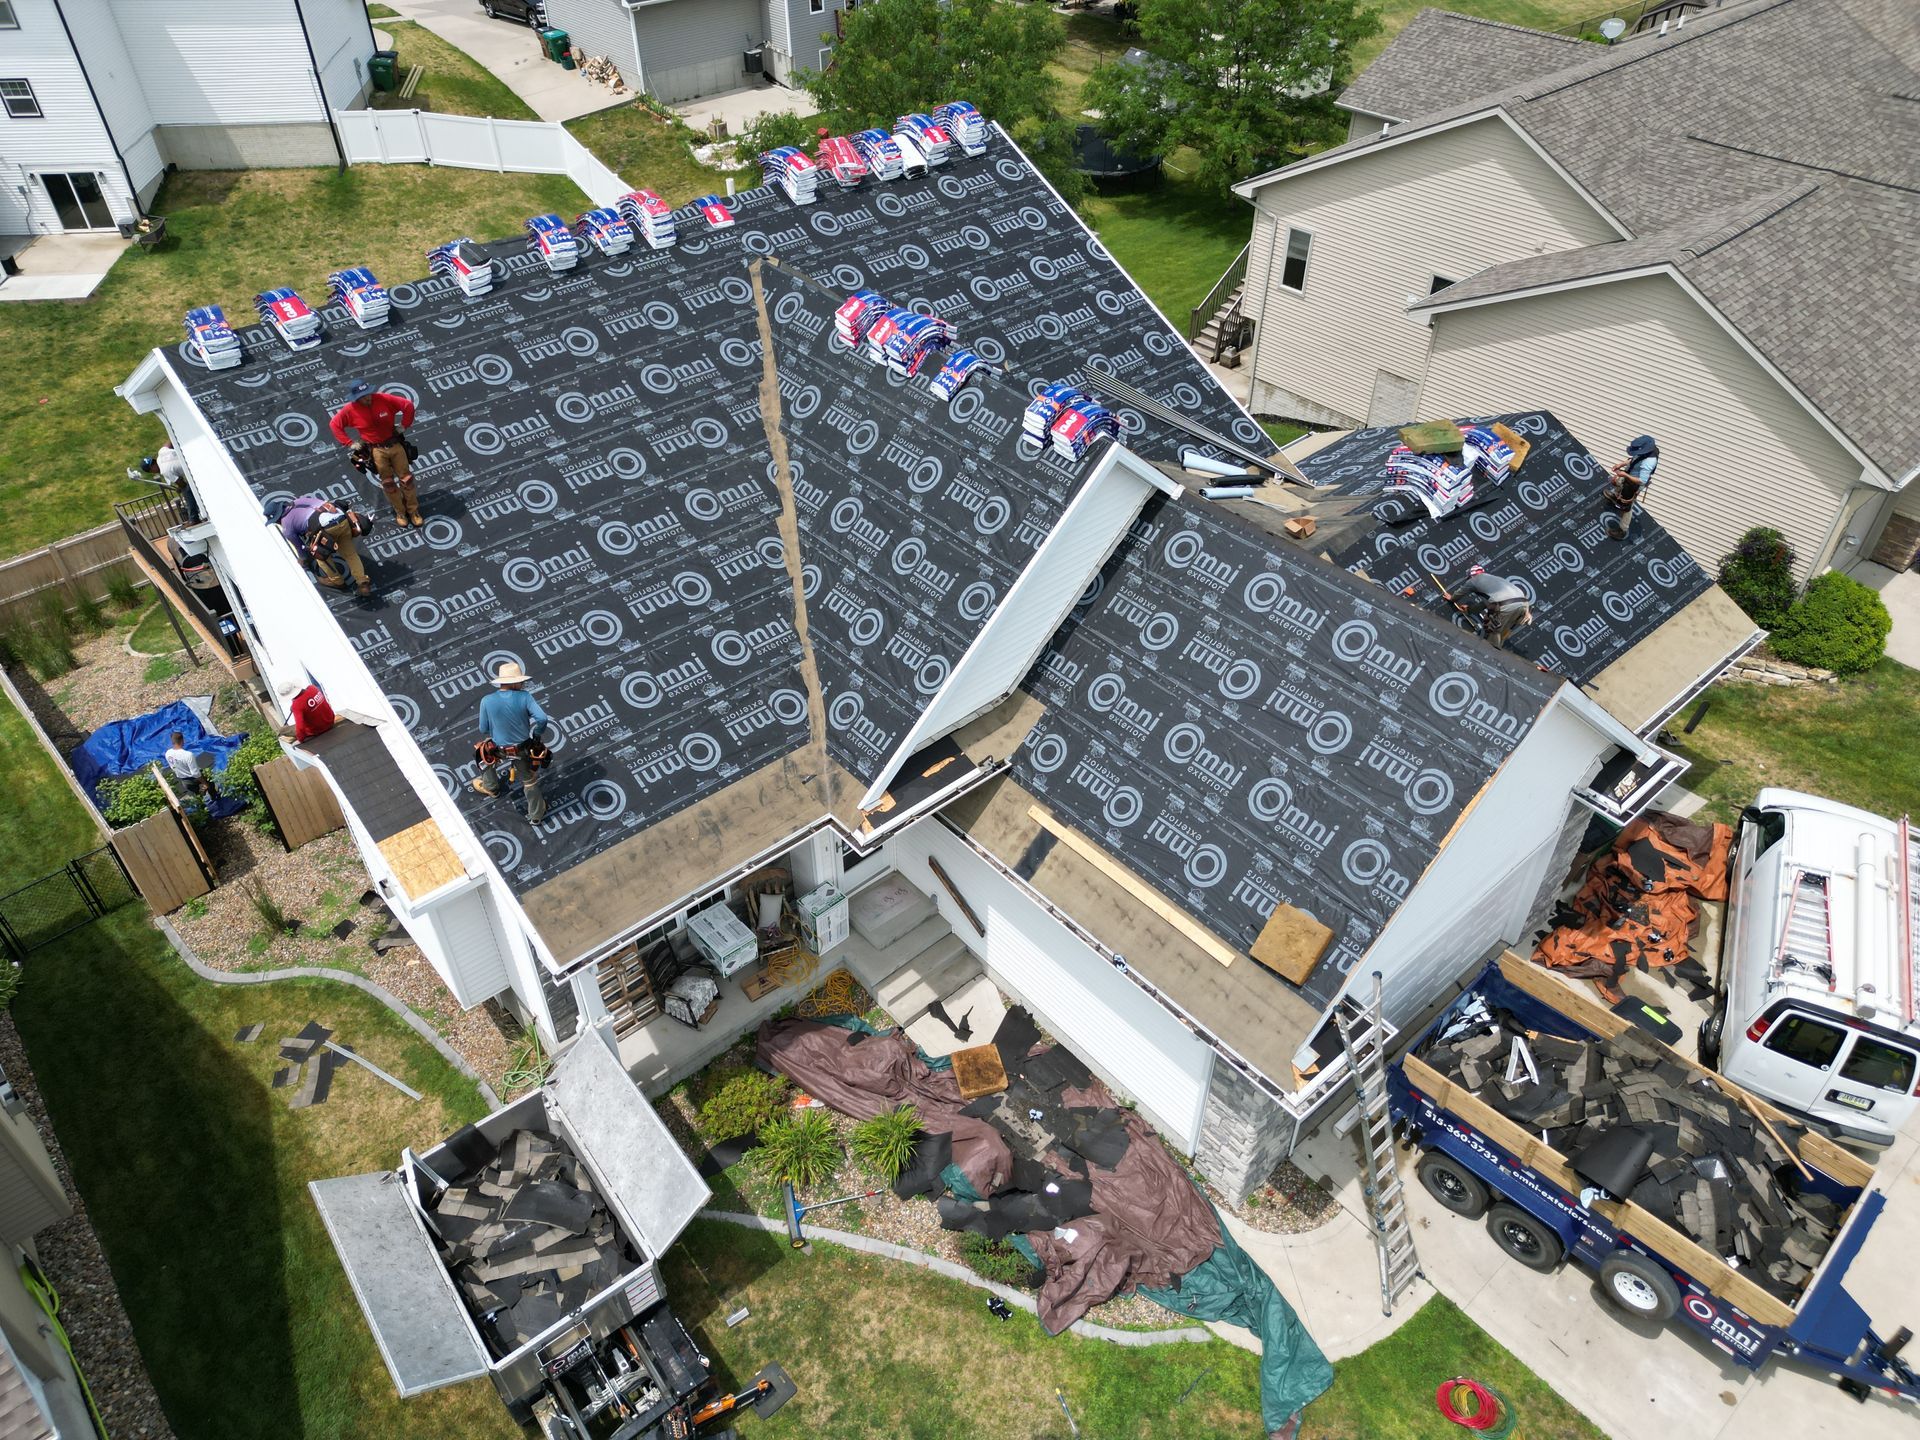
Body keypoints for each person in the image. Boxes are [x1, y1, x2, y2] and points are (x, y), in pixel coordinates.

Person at [328, 379, 423, 527]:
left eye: (368, 393)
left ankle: (413, 511)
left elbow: (407, 405)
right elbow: (334, 424)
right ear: (356, 398)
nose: (368, 397)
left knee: (407, 479)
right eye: (363, 396)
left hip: (395, 444)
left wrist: (404, 425)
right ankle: (400, 512)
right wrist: (349, 443)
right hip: (376, 450)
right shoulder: (350, 410)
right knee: (388, 483)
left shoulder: (384, 399)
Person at [473, 661, 551, 824]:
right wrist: (537, 734)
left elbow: (483, 729)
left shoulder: (486, 700)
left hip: (499, 748)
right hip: (522, 749)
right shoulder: (525, 697)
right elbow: (542, 719)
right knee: (529, 780)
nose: (523, 684)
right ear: (514, 683)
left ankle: (491, 788)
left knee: (483, 754)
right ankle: (536, 815)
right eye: (521, 681)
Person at [278, 494, 372, 595]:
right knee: (351, 554)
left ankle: (337, 581)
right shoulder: (299, 501)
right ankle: (362, 582)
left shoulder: (286, 526)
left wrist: (303, 560)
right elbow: (326, 504)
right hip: (342, 520)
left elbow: (300, 548)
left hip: (325, 529)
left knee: (321, 557)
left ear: (277, 518)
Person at [1454, 566, 1533, 649]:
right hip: (1524, 604)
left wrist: (1452, 598)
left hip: (1508, 605)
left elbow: (1459, 594)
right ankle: (1498, 649)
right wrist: (1470, 610)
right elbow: (1484, 604)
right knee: (1503, 632)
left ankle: (1488, 653)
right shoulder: (1492, 580)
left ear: (1471, 576)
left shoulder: (1474, 580)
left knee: (1494, 632)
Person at [1604, 434, 1659, 541]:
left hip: (1634, 484)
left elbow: (1641, 480)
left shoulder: (1649, 462)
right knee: (1618, 482)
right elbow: (1635, 459)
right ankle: (1615, 497)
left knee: (1627, 506)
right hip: (1629, 475)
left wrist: (1625, 475)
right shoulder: (1648, 451)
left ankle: (1622, 530)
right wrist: (1621, 464)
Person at [138, 444, 202, 522]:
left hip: (196, 469)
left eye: (151, 471)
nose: (154, 472)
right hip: (195, 457)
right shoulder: (162, 451)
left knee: (186, 492)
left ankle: (194, 519)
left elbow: (183, 485)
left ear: (151, 468)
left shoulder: (164, 470)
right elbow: (170, 443)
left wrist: (180, 488)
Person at [163, 731, 219, 801]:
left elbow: (173, 767)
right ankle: (214, 798)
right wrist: (205, 783)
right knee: (210, 784)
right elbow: (195, 773)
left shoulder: (168, 753)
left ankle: (202, 803)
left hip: (185, 781)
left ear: (172, 741)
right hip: (193, 778)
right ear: (182, 740)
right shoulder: (188, 755)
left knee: (197, 795)